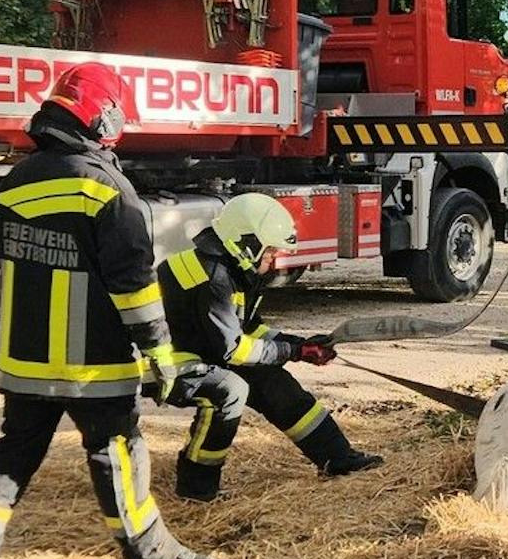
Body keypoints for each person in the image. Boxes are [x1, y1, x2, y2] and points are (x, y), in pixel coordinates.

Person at [0, 63, 216, 559]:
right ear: (103, 117)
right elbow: (132, 283)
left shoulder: (16, 182)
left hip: (26, 359)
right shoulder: (107, 187)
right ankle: (151, 554)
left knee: (13, 454)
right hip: (93, 359)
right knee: (117, 451)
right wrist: (160, 352)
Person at [155, 193, 383, 502]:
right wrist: (293, 353)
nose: (273, 258)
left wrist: (298, 345)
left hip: (204, 352)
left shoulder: (231, 268)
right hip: (165, 362)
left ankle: (337, 458)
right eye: (271, 250)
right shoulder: (213, 277)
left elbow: (251, 330)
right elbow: (234, 350)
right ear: (248, 242)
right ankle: (196, 490)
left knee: (273, 380)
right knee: (229, 390)